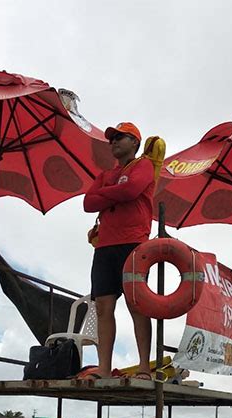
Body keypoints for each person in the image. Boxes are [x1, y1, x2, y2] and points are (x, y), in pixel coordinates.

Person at [83, 122, 154, 379]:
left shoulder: (144, 165)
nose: (113, 142)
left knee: (138, 305)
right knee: (103, 307)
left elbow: (132, 189)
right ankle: (103, 368)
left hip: (134, 243)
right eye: (111, 139)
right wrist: (116, 193)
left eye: (119, 138)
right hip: (104, 247)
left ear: (135, 142)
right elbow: (88, 203)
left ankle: (144, 367)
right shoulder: (103, 175)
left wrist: (106, 194)